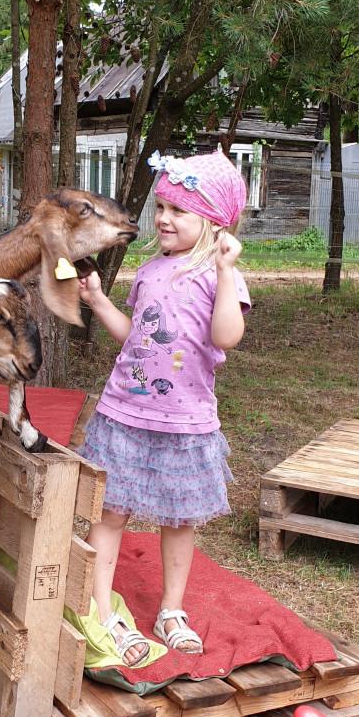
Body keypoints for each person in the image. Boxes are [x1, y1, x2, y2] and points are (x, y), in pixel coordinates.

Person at [78, 148, 250, 667]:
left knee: (178, 519)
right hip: (124, 415)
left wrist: (224, 272)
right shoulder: (150, 270)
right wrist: (99, 303)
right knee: (109, 513)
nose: (164, 219)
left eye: (179, 210)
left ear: (215, 222)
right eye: (163, 208)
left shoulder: (221, 277)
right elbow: (137, 340)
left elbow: (227, 336)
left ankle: (171, 611)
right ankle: (101, 610)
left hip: (185, 421)